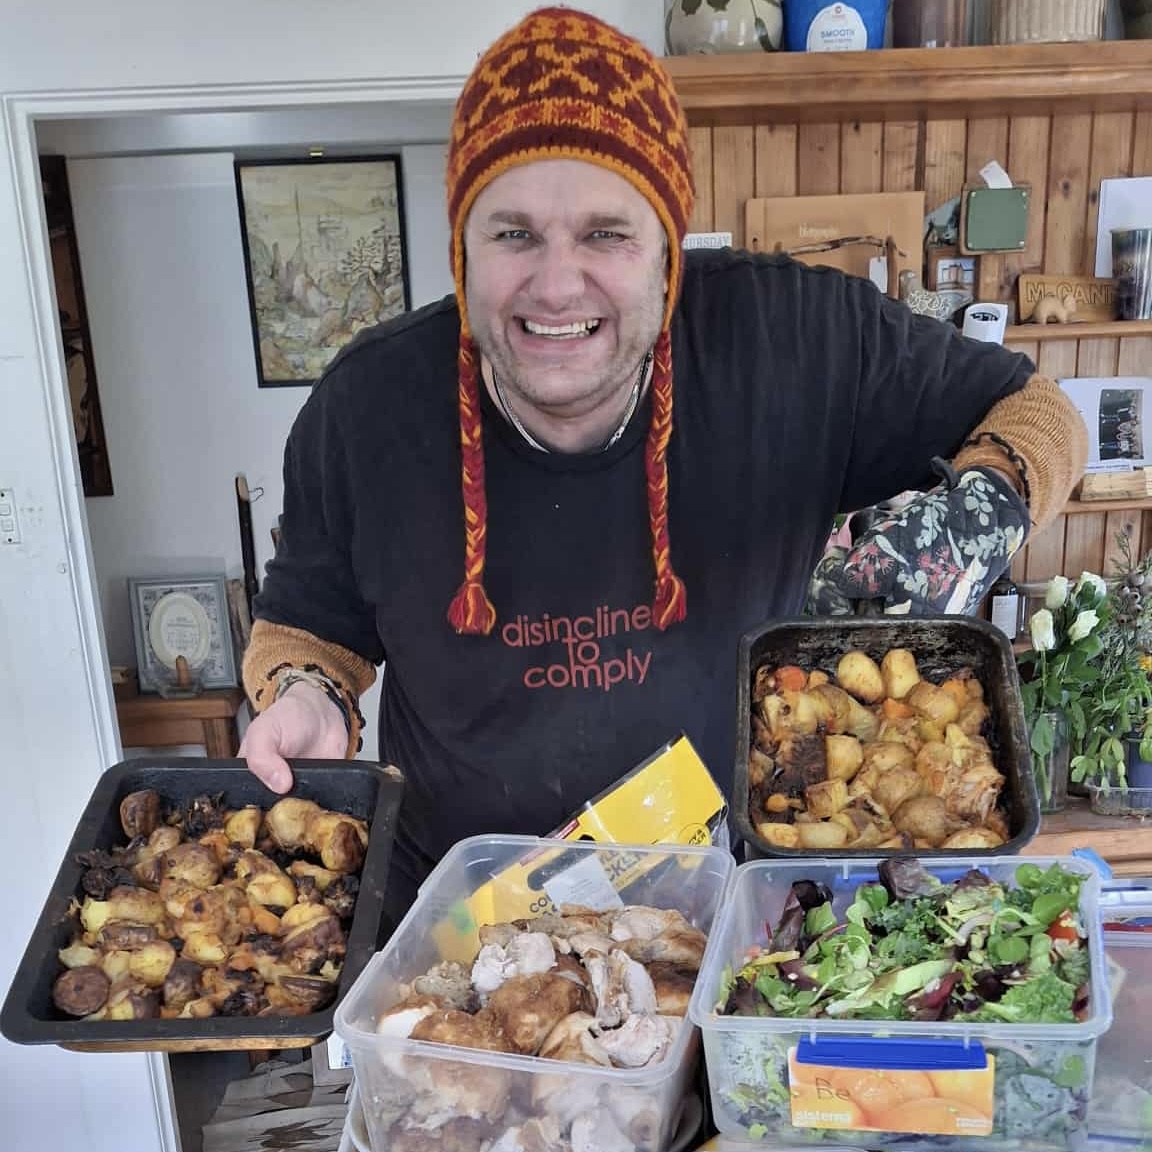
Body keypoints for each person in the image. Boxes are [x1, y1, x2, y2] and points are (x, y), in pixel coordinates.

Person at [240, 5, 1088, 923]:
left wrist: (973, 516)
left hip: (731, 918)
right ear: (462, 245)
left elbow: (1043, 413)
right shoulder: (365, 406)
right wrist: (306, 695)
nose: (556, 285)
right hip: (461, 935)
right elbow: (306, 628)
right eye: (513, 233)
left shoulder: (796, 340)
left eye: (606, 234)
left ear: (668, 250)